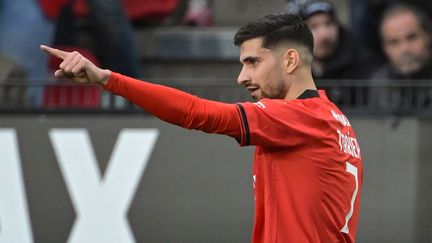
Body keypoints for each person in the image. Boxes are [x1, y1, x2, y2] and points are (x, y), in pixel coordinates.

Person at [41, 13, 363, 243]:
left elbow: (197, 112)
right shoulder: (335, 121)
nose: (242, 77)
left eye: (253, 62)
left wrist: (108, 79)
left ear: (290, 61)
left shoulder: (296, 118)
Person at [293, 0, 380, 105]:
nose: (324, 34)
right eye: (314, 26)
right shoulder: (291, 69)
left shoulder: (362, 64)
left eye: (329, 23)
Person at [370, 4, 432, 111]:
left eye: (411, 38)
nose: (405, 49)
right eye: (394, 42)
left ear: (428, 36)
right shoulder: (379, 85)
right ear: (385, 49)